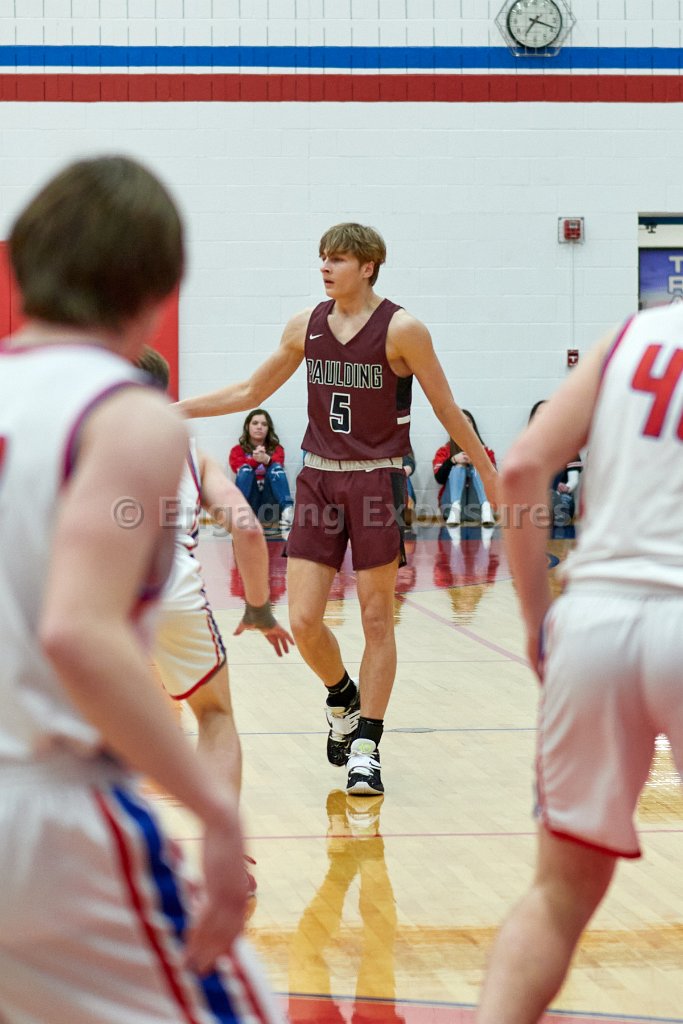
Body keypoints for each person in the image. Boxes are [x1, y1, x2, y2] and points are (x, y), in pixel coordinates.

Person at [0, 155, 283, 1023]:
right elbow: (77, 633)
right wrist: (217, 817)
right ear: (155, 288)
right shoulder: (132, 416)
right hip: (43, 805)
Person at [178, 221, 498, 797]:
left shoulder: (403, 329)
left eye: (338, 259)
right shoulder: (306, 325)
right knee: (303, 620)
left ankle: (367, 749)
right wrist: (176, 409)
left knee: (376, 619)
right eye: (322, 257)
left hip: (377, 481)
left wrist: (492, 476)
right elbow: (250, 392)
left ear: (368, 266)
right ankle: (343, 696)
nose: (325, 267)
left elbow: (447, 409)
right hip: (319, 480)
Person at [477, 305, 683, 1024]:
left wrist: (538, 620)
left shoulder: (630, 337)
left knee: (558, 895)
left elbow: (522, 467)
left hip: (594, 621)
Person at [137, 347, 293, 808]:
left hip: (86, 590)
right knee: (215, 715)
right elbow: (248, 528)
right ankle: (223, 844)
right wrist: (259, 608)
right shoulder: (191, 454)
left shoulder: (66, 432)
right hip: (171, 589)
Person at [229, 408, 295, 530]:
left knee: (276, 468)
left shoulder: (277, 449)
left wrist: (267, 459)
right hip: (250, 505)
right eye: (255, 423)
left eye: (264, 424)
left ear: (268, 428)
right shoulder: (237, 450)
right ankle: (240, 513)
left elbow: (278, 463)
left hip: (270, 505)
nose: (259, 427)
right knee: (245, 470)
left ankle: (287, 511)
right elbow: (236, 467)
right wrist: (256, 460)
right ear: (247, 426)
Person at [432, 410, 496, 525]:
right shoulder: (444, 451)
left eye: (468, 421)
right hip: (450, 507)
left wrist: (478, 461)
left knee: (477, 468)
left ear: (473, 426)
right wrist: (452, 460)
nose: (465, 425)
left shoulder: (486, 451)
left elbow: (494, 480)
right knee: (459, 467)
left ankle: (486, 508)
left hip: (477, 508)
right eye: (460, 421)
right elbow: (439, 479)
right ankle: (455, 508)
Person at [528, 399, 583, 527]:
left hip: (560, 497)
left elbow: (573, 480)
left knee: (563, 500)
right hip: (535, 498)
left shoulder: (568, 447)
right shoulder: (526, 449)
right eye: (539, 413)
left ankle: (553, 510)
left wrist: (565, 488)